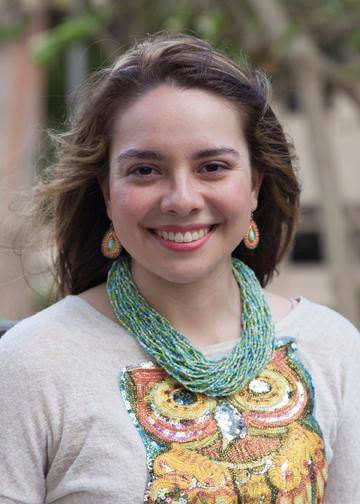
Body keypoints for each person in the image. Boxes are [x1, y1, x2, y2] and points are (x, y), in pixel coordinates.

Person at [0, 33, 359, 504]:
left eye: (212, 167)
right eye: (145, 170)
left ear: (255, 186)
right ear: (106, 193)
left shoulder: (333, 349)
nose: (182, 200)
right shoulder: (32, 364)